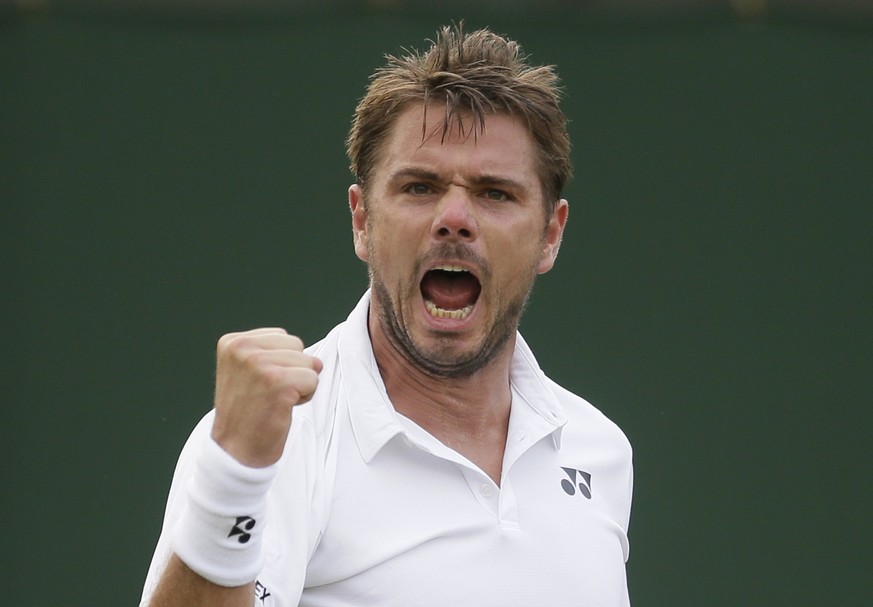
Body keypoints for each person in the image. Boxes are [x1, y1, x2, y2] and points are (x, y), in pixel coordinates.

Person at [140, 24, 632, 607]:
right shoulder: (280, 443)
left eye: (495, 193)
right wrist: (235, 476)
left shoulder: (599, 451)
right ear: (362, 221)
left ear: (551, 235)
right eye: (420, 187)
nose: (454, 217)